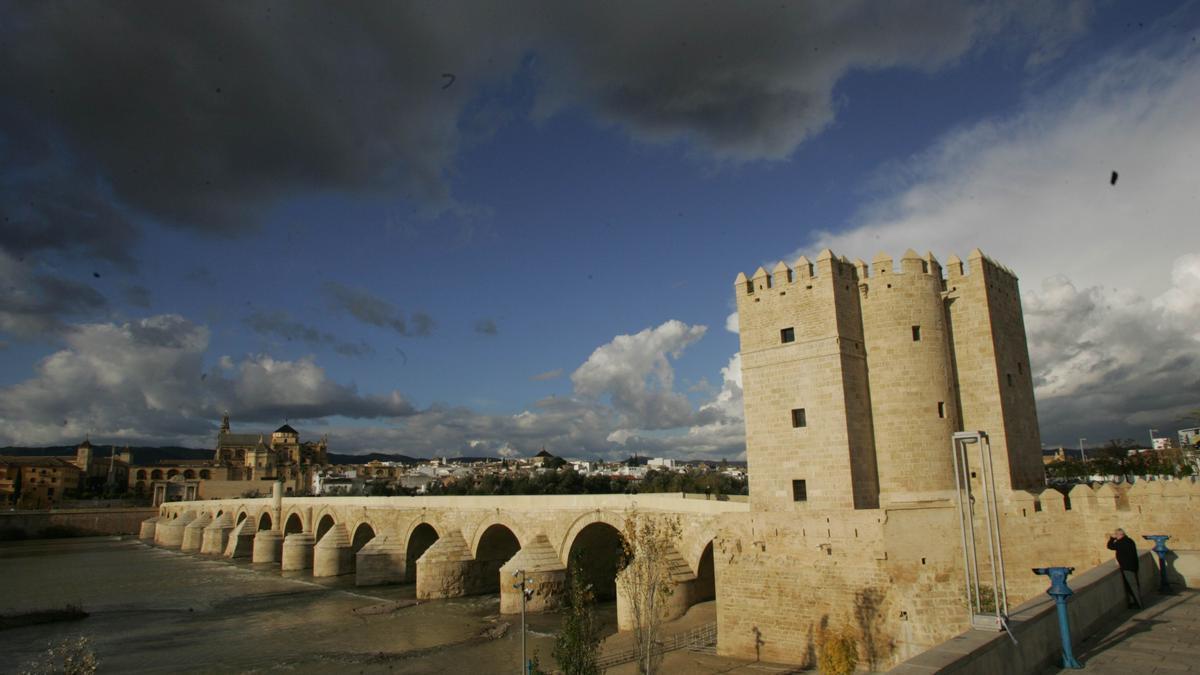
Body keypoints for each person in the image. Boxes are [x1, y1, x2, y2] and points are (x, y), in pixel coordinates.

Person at [1107, 528, 1143, 609]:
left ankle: (1139, 604)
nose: (1115, 536)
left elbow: (1110, 546)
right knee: (1132, 585)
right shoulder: (1130, 540)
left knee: (1132, 585)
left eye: (1116, 535)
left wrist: (1112, 539)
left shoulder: (1121, 543)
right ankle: (1133, 602)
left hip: (1127, 567)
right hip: (1133, 565)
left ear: (1119, 535)